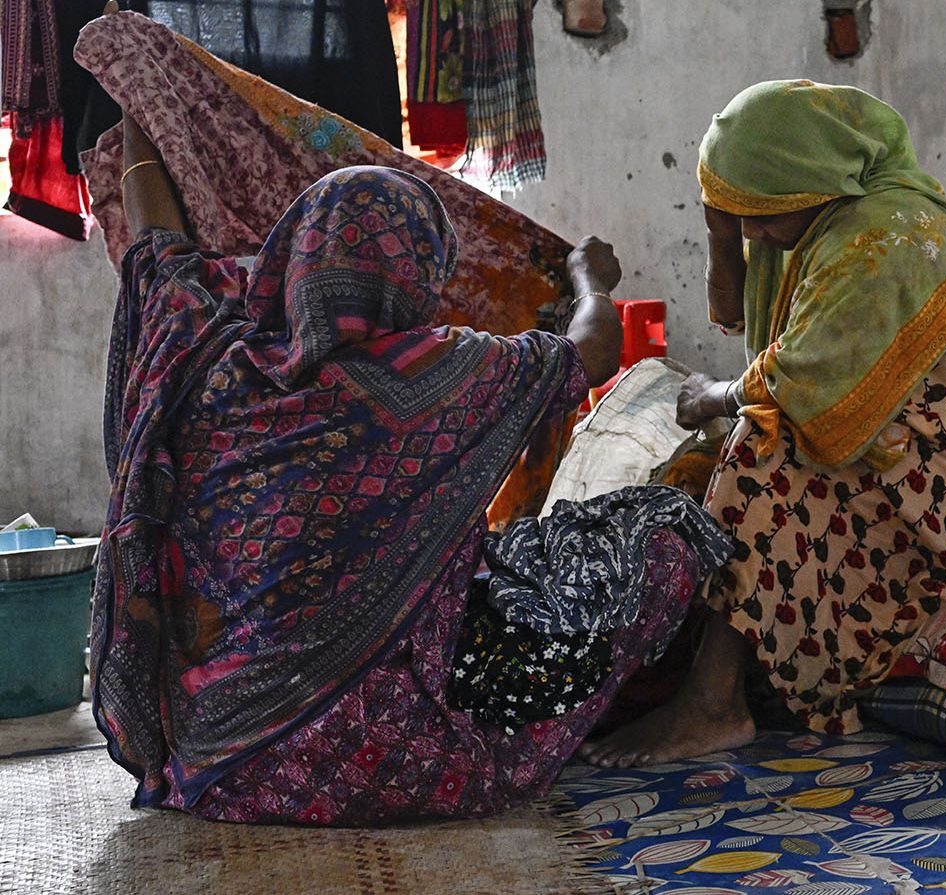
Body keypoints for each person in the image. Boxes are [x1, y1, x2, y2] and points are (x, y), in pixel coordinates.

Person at [90, 112, 735, 824]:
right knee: (659, 533)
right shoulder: (433, 374)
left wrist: (140, 102)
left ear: (293, 255)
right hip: (395, 760)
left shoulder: (205, 359)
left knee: (507, 559)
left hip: (217, 763)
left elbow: (158, 248)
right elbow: (594, 348)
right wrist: (589, 279)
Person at [580, 80, 946, 766]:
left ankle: (715, 702)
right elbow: (754, 323)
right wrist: (724, 228)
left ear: (813, 184)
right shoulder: (826, 213)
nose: (751, 235)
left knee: (762, 450)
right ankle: (718, 675)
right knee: (727, 456)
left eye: (762, 215)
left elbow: (810, 392)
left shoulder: (881, 240)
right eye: (733, 213)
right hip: (902, 429)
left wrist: (717, 393)